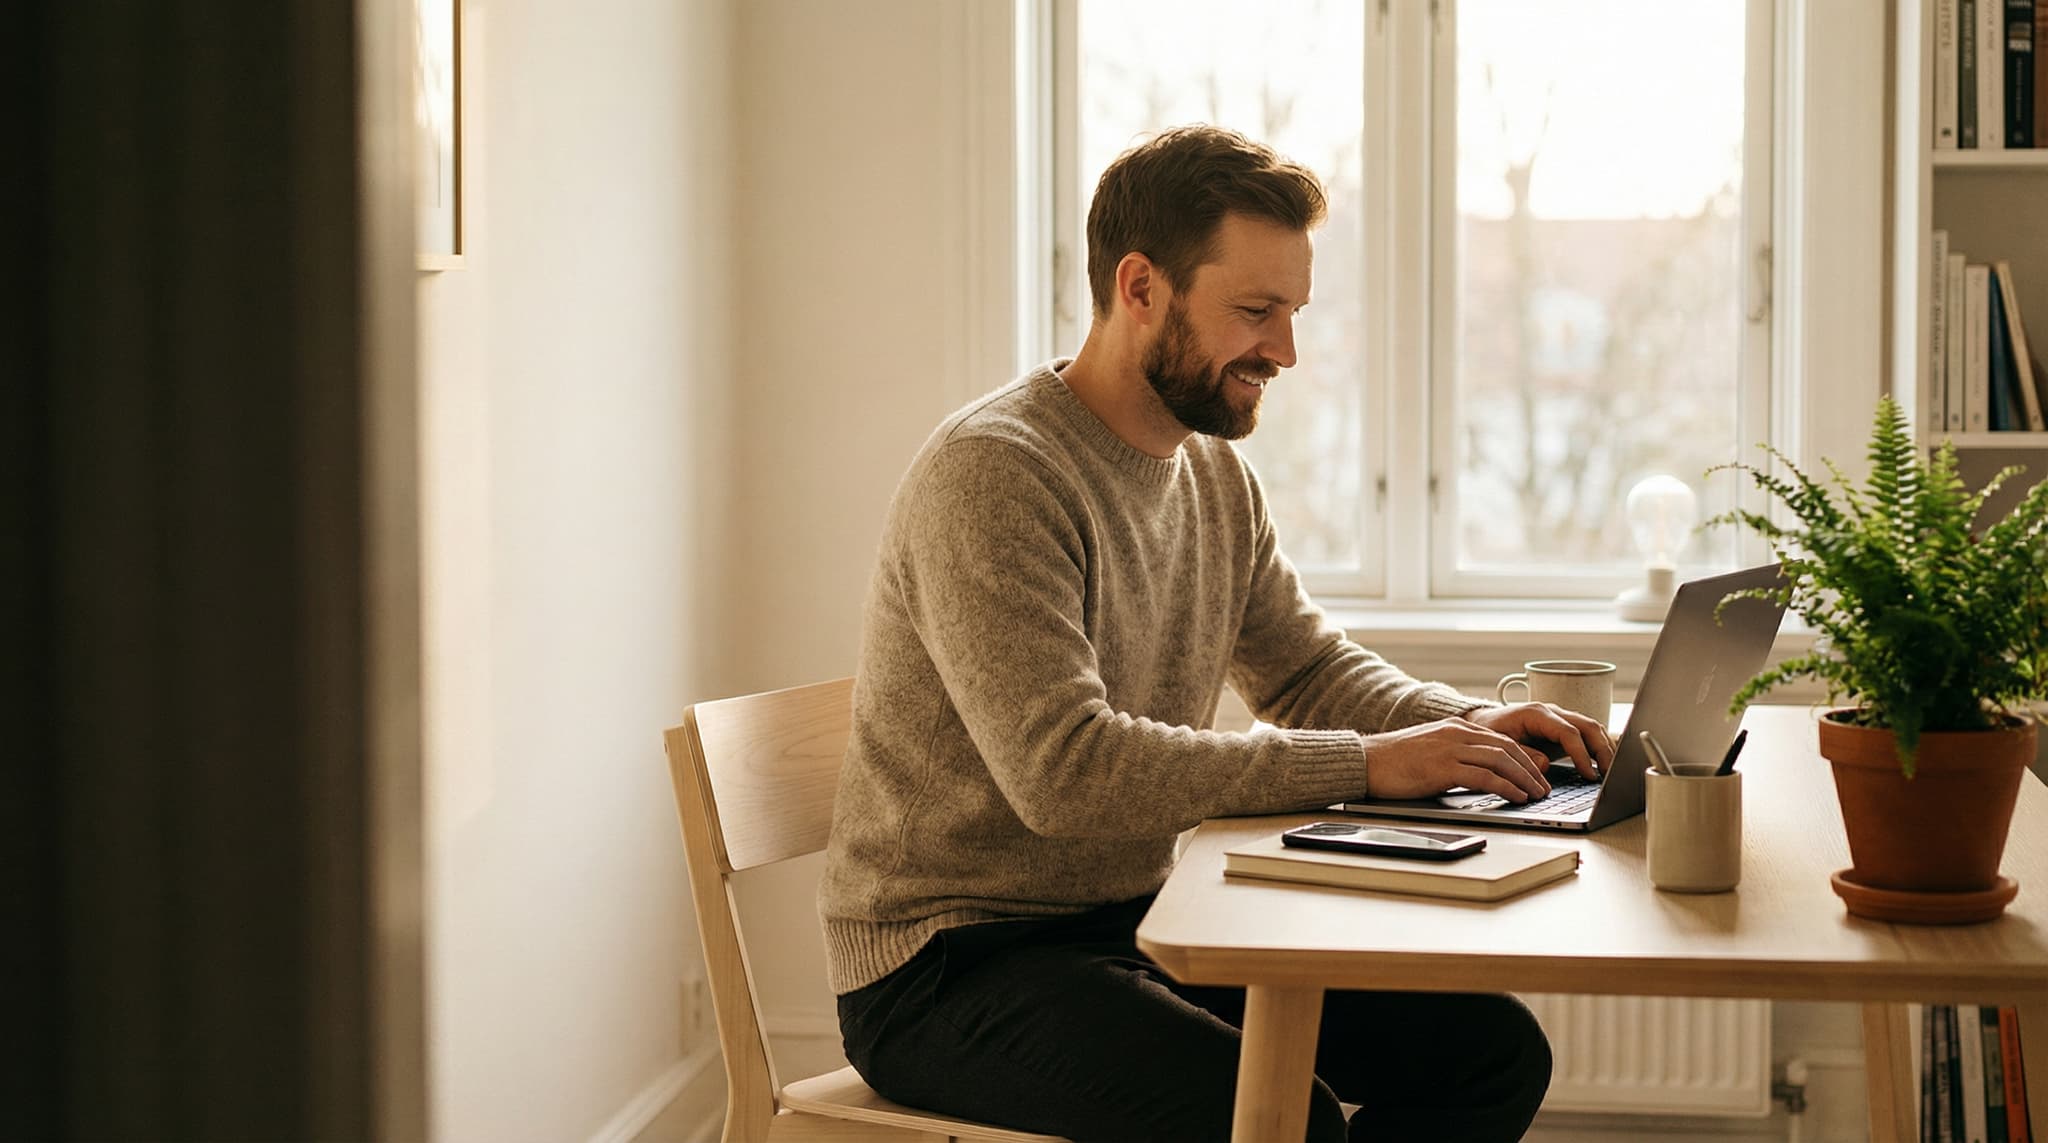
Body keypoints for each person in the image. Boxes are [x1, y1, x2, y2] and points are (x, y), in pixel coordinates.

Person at [817, 124, 1615, 1143]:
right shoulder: (995, 474)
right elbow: (1063, 773)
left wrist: (1474, 724)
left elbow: (1305, 667)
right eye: (1255, 311)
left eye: (1290, 312)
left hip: (1137, 922)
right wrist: (1371, 766)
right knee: (1286, 1120)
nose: (1283, 350)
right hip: (948, 961)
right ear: (1139, 287)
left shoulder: (1210, 473)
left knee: (1491, 1056)